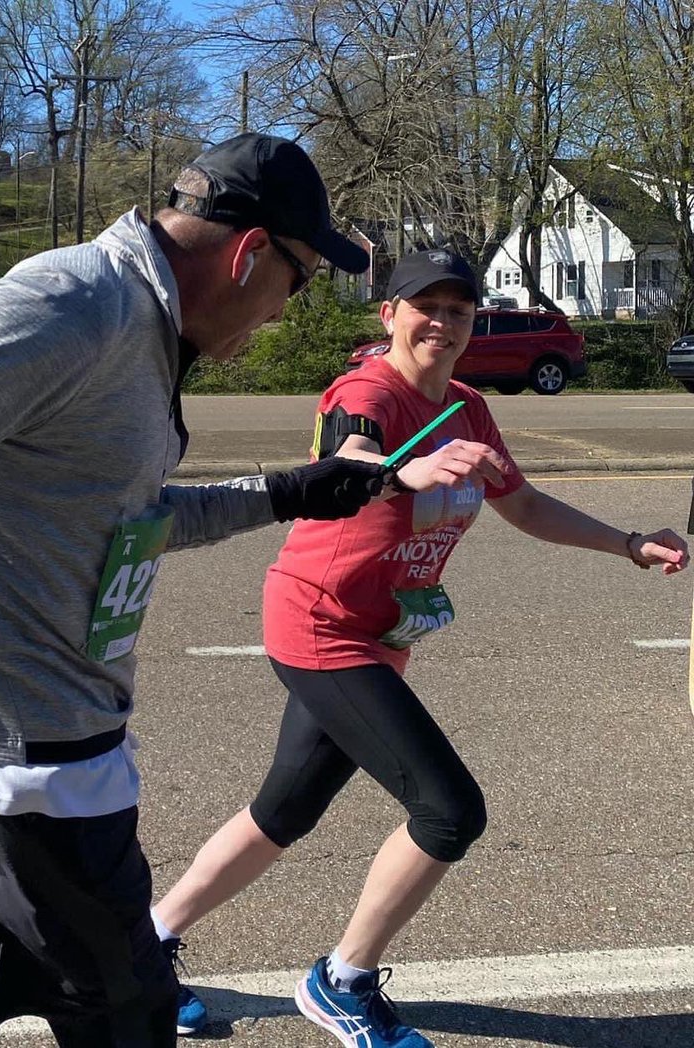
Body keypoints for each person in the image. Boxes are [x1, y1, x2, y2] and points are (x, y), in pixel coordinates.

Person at [0, 132, 394, 1048]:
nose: (282, 311)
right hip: (27, 775)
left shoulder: (141, 327)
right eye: (298, 281)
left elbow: (120, 522)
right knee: (128, 1014)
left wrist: (286, 493)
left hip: (27, 758)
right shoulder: (75, 303)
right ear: (249, 252)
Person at [151, 248, 690, 1047]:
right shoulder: (365, 393)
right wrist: (408, 471)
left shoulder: (469, 407)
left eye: (458, 311)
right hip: (321, 624)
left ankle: (142, 946)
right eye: (425, 306)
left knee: (282, 811)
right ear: (389, 315)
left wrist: (629, 543)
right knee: (448, 811)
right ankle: (343, 981)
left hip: (381, 634)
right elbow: (349, 460)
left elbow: (525, 506)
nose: (441, 322)